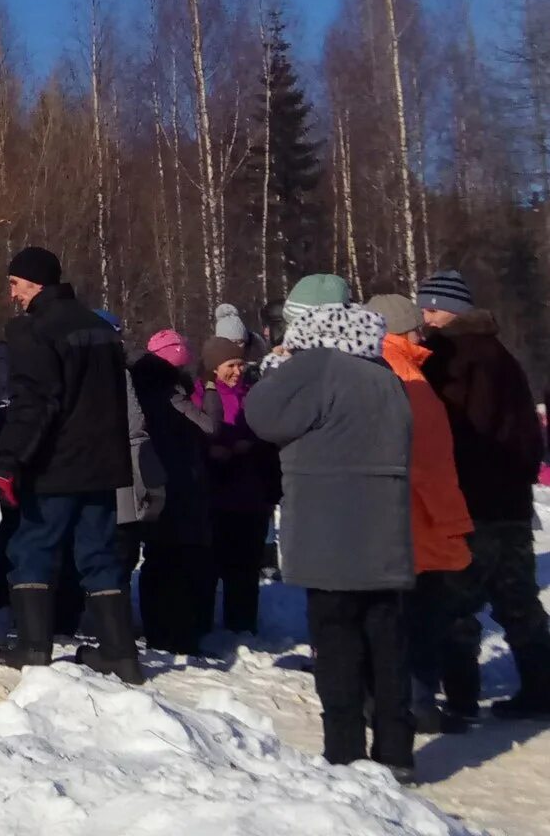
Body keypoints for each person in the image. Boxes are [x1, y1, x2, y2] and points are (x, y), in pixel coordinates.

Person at [244, 300, 415, 777]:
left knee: (336, 639)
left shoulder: (320, 366)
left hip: (331, 527)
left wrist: (278, 369)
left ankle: (344, 751)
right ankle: (397, 751)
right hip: (386, 528)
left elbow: (263, 417)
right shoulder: (385, 375)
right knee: (387, 638)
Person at [0, 247, 141, 682]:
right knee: (99, 552)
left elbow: (34, 403)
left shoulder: (34, 331)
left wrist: (11, 459)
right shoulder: (100, 329)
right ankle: (121, 652)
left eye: (16, 284)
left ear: (36, 283)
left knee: (32, 547)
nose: (13, 294)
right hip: (103, 465)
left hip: (55, 463)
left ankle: (33, 646)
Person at [415, 269, 550, 720]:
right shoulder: (503, 356)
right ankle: (541, 686)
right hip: (510, 503)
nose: (424, 316)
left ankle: (461, 697)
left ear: (450, 311)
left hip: (468, 502)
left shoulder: (447, 358)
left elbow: (446, 433)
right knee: (518, 599)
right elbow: (530, 434)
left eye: (430, 308)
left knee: (456, 602)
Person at [366, 293, 476, 734]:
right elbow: (425, 457)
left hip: (405, 514)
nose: (423, 331)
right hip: (417, 516)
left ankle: (401, 698)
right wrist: (449, 517)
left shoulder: (393, 367)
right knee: (415, 616)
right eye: (416, 324)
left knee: (402, 613)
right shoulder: (402, 372)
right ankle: (415, 702)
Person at [127, 330, 221, 656]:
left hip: (151, 478)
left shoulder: (135, 389)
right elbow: (209, 426)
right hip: (181, 482)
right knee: (183, 561)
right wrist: (210, 387)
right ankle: (181, 632)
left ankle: (157, 629)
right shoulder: (171, 394)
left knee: (157, 558)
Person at [198, 337, 280, 635]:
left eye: (240, 364)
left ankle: (243, 625)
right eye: (230, 365)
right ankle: (203, 623)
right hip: (215, 494)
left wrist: (253, 445)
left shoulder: (251, 394)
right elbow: (195, 432)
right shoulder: (201, 394)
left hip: (250, 494)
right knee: (210, 565)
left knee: (245, 568)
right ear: (214, 368)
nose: (237, 371)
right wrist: (212, 450)